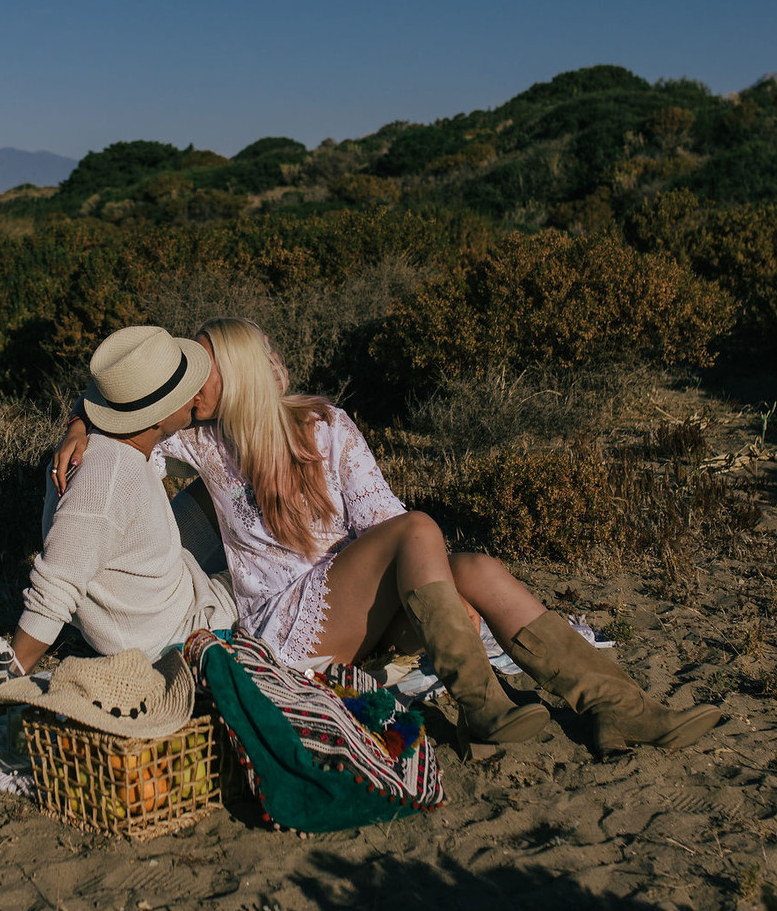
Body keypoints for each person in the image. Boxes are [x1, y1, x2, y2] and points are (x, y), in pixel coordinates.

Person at [54, 317, 721, 758]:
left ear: (238, 374)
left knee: (479, 568)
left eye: (202, 369)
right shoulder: (198, 443)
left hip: (361, 604)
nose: (189, 383)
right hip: (291, 629)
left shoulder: (325, 425)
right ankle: (484, 705)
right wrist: (83, 422)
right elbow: (127, 430)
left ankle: (617, 707)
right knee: (422, 533)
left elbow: (386, 521)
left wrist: (439, 589)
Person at [7, 325, 238, 678]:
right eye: (186, 390)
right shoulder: (107, 479)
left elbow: (93, 396)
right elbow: (54, 590)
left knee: (228, 488)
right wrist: (2, 679)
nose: (196, 395)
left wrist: (77, 424)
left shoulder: (120, 441)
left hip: (176, 590)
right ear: (158, 413)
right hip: (182, 636)